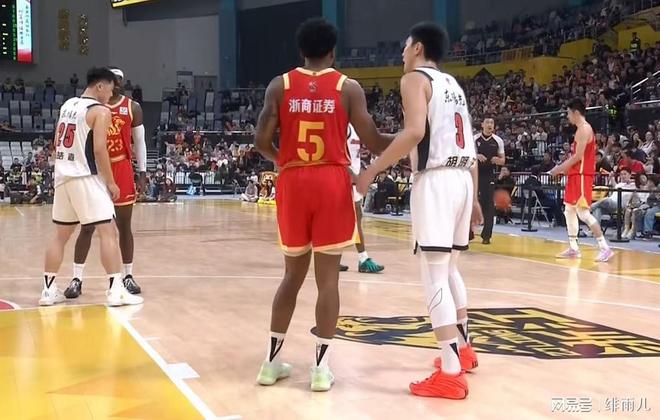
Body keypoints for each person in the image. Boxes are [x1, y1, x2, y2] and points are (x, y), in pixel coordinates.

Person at [253, 18, 392, 392]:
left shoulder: (280, 85)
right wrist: (412, 136)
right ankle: (319, 369)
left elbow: (261, 141)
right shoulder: (348, 88)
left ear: (301, 50)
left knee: (291, 277)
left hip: (294, 181)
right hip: (331, 180)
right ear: (333, 52)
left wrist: (283, 160)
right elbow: (375, 140)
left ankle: (270, 364)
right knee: (328, 281)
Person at [356, 21, 482, 400]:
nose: (401, 53)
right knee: (451, 269)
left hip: (437, 181)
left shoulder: (414, 79)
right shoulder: (453, 84)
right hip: (463, 178)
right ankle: (464, 349)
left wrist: (371, 171)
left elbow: (413, 133)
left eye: (405, 46)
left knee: (434, 275)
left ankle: (451, 371)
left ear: (417, 48)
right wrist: (475, 197)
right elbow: (470, 145)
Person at [39, 67, 143, 307]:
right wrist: (110, 181)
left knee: (60, 235)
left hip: (62, 176)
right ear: (100, 86)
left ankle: (48, 290)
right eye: (110, 89)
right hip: (85, 177)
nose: (111, 94)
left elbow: (56, 142)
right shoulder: (100, 111)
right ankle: (116, 291)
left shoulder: (67, 105)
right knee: (109, 232)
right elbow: (99, 149)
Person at [549, 98, 614, 262]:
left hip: (582, 175)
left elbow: (578, 157)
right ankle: (573, 248)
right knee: (569, 210)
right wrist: (566, 169)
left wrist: (559, 168)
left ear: (576, 112)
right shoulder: (580, 130)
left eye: (568, 113)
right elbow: (576, 157)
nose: (568, 116)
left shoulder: (584, 129)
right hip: (575, 175)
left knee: (583, 213)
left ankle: (605, 248)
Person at [339, 124, 385, 273]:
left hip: (351, 178)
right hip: (343, 179)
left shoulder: (355, 126)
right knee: (350, 218)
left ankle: (335, 257)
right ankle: (362, 259)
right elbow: (334, 154)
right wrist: (353, 175)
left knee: (352, 218)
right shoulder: (343, 125)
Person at [475, 117, 505, 244]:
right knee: (472, 202)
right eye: (487, 122)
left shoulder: (498, 141)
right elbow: (466, 155)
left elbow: (503, 160)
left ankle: (486, 236)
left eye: (492, 122)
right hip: (475, 174)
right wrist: (476, 156)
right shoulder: (475, 139)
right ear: (482, 124)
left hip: (489, 175)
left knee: (489, 205)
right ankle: (468, 233)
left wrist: (498, 160)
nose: (489, 124)